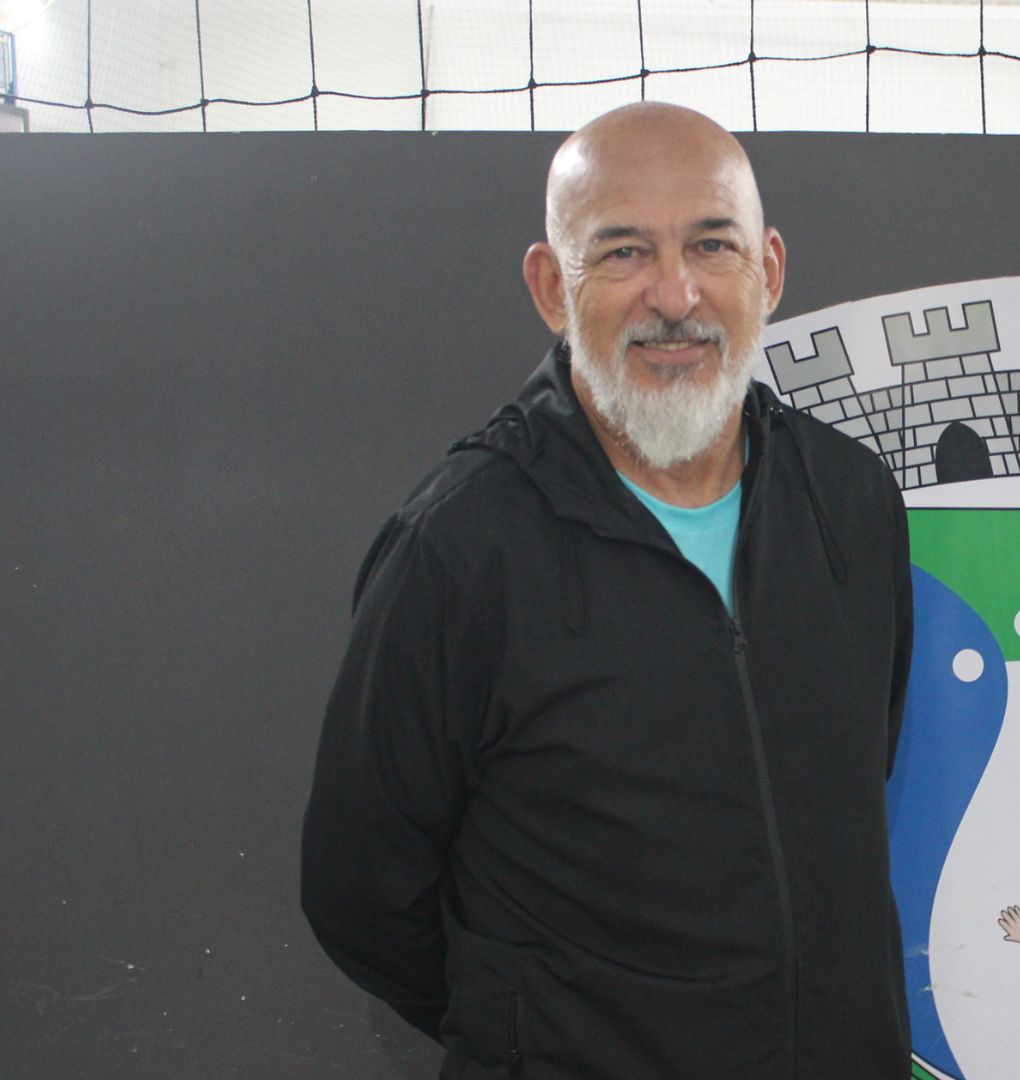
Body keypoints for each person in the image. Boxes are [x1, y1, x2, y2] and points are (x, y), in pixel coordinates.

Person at [300, 102, 914, 1079]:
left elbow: (858, 780)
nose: (675, 295)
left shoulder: (852, 506)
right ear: (552, 286)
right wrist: (537, 1033)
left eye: (712, 245)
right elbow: (360, 895)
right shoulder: (460, 546)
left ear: (769, 271)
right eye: (622, 253)